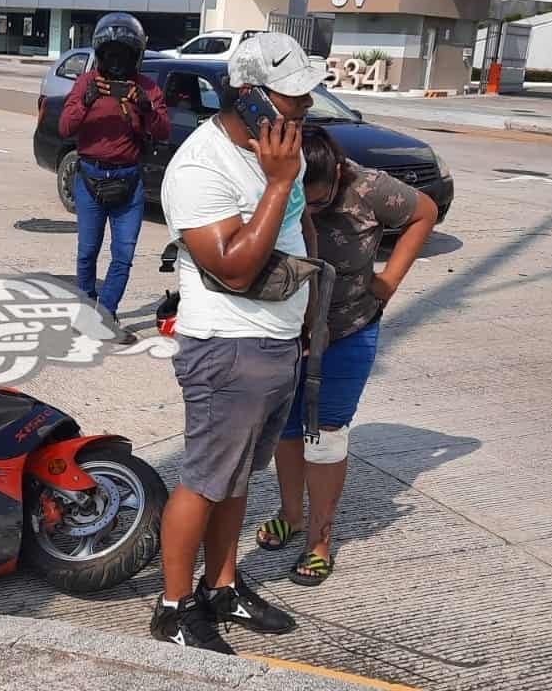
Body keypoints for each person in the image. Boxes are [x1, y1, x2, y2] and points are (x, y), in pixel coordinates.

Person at [150, 32, 329, 654]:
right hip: (227, 347)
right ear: (250, 98)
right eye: (293, 97)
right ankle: (174, 609)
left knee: (236, 480)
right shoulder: (200, 168)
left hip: (278, 341)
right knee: (203, 480)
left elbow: (301, 221)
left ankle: (222, 586)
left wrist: (309, 307)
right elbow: (232, 269)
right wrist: (277, 183)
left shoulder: (284, 151)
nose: (305, 108)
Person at [253, 127, 439, 587]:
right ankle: (291, 514)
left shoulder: (367, 186)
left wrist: (390, 280)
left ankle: (319, 540)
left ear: (336, 174)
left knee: (328, 436)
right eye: (304, 203)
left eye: (318, 202)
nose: (309, 212)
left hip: (349, 328)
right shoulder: (277, 183)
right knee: (288, 426)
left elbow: (425, 212)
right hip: (287, 328)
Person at [58, 12, 169, 344]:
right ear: (101, 54)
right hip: (90, 178)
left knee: (124, 253)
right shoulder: (85, 83)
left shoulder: (146, 87)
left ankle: (105, 316)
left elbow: (162, 130)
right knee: (87, 251)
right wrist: (88, 100)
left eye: (124, 54)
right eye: (111, 54)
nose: (117, 62)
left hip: (128, 181)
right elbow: (65, 127)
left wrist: (144, 107)